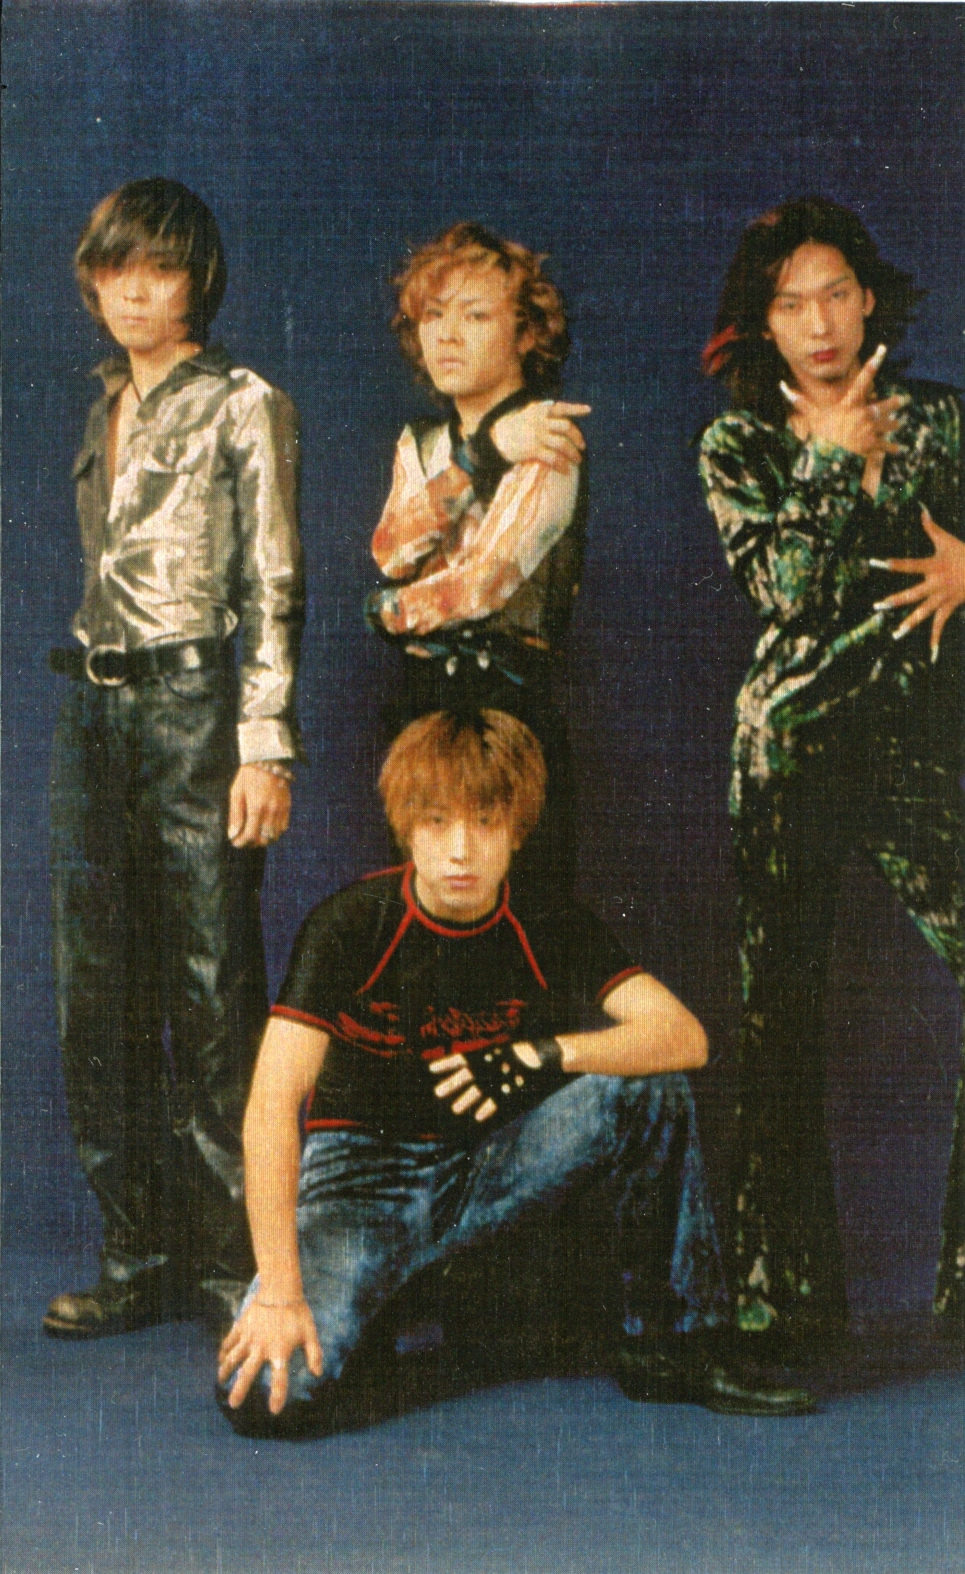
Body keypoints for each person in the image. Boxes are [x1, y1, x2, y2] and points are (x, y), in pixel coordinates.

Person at [216, 710, 812, 1436]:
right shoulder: (350, 925)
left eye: (485, 822)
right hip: (364, 1183)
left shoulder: (546, 918)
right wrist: (281, 1294)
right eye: (436, 822)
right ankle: (379, 1301)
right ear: (406, 828)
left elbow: (683, 1037)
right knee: (267, 1397)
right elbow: (270, 1107)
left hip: (490, 1164)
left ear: (517, 831)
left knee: (648, 1089)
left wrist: (546, 1054)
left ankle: (671, 1342)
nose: (460, 850)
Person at [698, 196, 964, 1352]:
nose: (816, 323)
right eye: (789, 303)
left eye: (834, 295)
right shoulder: (737, 444)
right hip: (792, 743)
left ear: (867, 300)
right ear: (760, 322)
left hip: (913, 746)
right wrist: (825, 460)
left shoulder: (941, 421)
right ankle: (782, 1303)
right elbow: (785, 593)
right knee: (777, 1014)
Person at [43, 178, 305, 1339]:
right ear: (93, 282)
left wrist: (265, 744)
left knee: (211, 987)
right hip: (91, 708)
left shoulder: (245, 403)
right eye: (117, 269)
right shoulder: (103, 406)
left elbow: (274, 583)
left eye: (159, 269)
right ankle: (137, 1248)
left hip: (197, 707)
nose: (136, 292)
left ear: (198, 280)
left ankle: (232, 1257)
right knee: (94, 990)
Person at [366, 222, 591, 888]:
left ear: (526, 333)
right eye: (433, 316)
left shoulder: (549, 431)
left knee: (513, 906)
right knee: (419, 905)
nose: (447, 335)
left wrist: (387, 613)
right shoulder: (422, 439)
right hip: (417, 703)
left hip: (508, 706)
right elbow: (390, 549)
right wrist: (484, 454)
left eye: (475, 315)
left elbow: (479, 588)